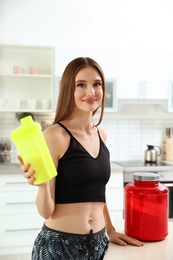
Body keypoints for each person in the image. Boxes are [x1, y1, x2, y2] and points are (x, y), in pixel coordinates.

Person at [18, 57, 143, 260]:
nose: (91, 92)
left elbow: (98, 194)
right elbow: (46, 211)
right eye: (81, 85)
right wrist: (41, 185)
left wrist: (110, 231)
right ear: (69, 90)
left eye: (97, 84)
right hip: (59, 247)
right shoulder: (54, 136)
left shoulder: (101, 135)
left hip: (99, 245)